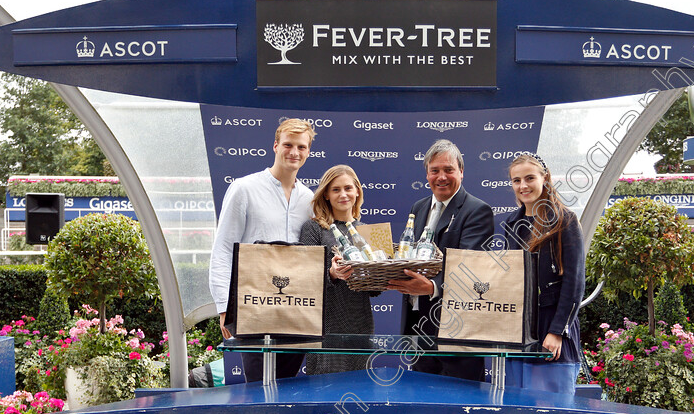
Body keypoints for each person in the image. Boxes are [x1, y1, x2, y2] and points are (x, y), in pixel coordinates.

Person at [209, 118, 316, 382]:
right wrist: (225, 307)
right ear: (275, 146)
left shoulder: (310, 199)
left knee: (289, 384)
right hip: (252, 304)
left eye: (301, 147)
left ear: (308, 152)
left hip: (296, 308)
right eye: (288, 145)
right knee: (258, 387)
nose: (294, 152)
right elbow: (223, 248)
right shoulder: (244, 188)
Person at [389, 139, 494, 381]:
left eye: (448, 170)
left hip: (457, 331)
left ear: (461, 172)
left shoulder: (477, 210)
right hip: (418, 326)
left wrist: (433, 287)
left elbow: (470, 267)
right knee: (421, 405)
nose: (441, 177)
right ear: (427, 173)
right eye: (435, 170)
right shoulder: (419, 207)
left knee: (460, 406)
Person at [503, 152, 585, 394]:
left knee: (552, 409)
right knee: (517, 407)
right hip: (519, 332)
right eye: (516, 180)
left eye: (529, 178)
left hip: (552, 326)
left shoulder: (565, 220)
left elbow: (575, 282)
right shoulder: (511, 224)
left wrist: (557, 331)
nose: (523, 186)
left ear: (545, 178)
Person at [298, 165, 379, 374]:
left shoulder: (368, 232)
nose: (343, 194)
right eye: (336, 189)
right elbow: (304, 279)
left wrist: (380, 274)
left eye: (348, 188)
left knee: (358, 388)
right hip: (325, 325)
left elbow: (375, 290)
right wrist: (331, 274)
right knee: (322, 389)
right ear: (326, 194)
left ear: (357, 191)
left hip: (360, 323)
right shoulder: (313, 228)